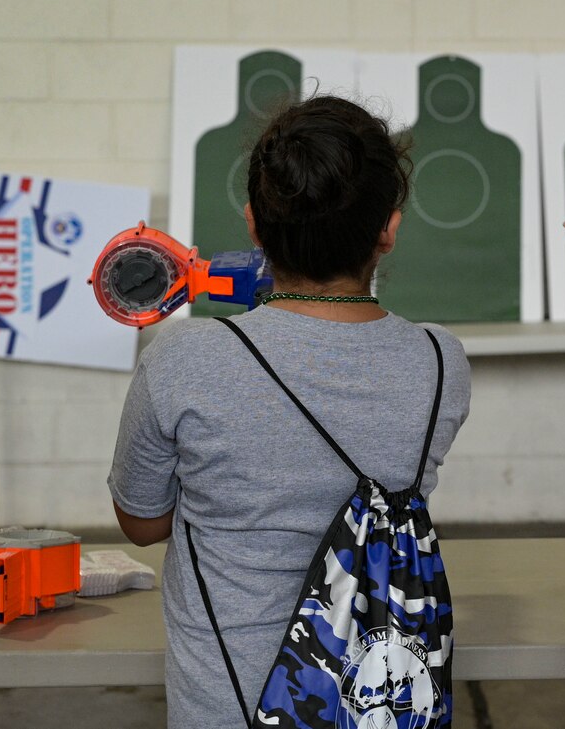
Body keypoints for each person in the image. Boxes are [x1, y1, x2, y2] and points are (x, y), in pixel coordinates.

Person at [107, 94, 471, 728]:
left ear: (253, 225)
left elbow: (141, 524)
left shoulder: (187, 357)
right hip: (378, 703)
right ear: (389, 228)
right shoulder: (439, 362)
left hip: (230, 707)